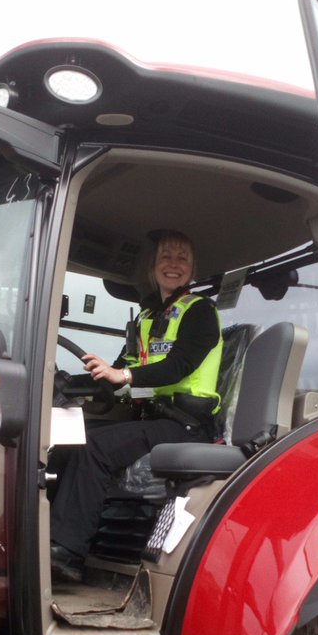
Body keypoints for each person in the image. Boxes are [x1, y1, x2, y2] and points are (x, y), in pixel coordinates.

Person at [50, 230, 223, 582]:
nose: (173, 264)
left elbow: (179, 366)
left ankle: (66, 553)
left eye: (182, 258)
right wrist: (70, 382)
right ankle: (48, 536)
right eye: (166, 257)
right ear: (152, 266)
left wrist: (124, 376)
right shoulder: (147, 316)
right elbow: (117, 370)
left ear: (192, 269)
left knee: (95, 448)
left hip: (187, 424)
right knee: (66, 439)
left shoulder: (200, 312)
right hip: (153, 416)